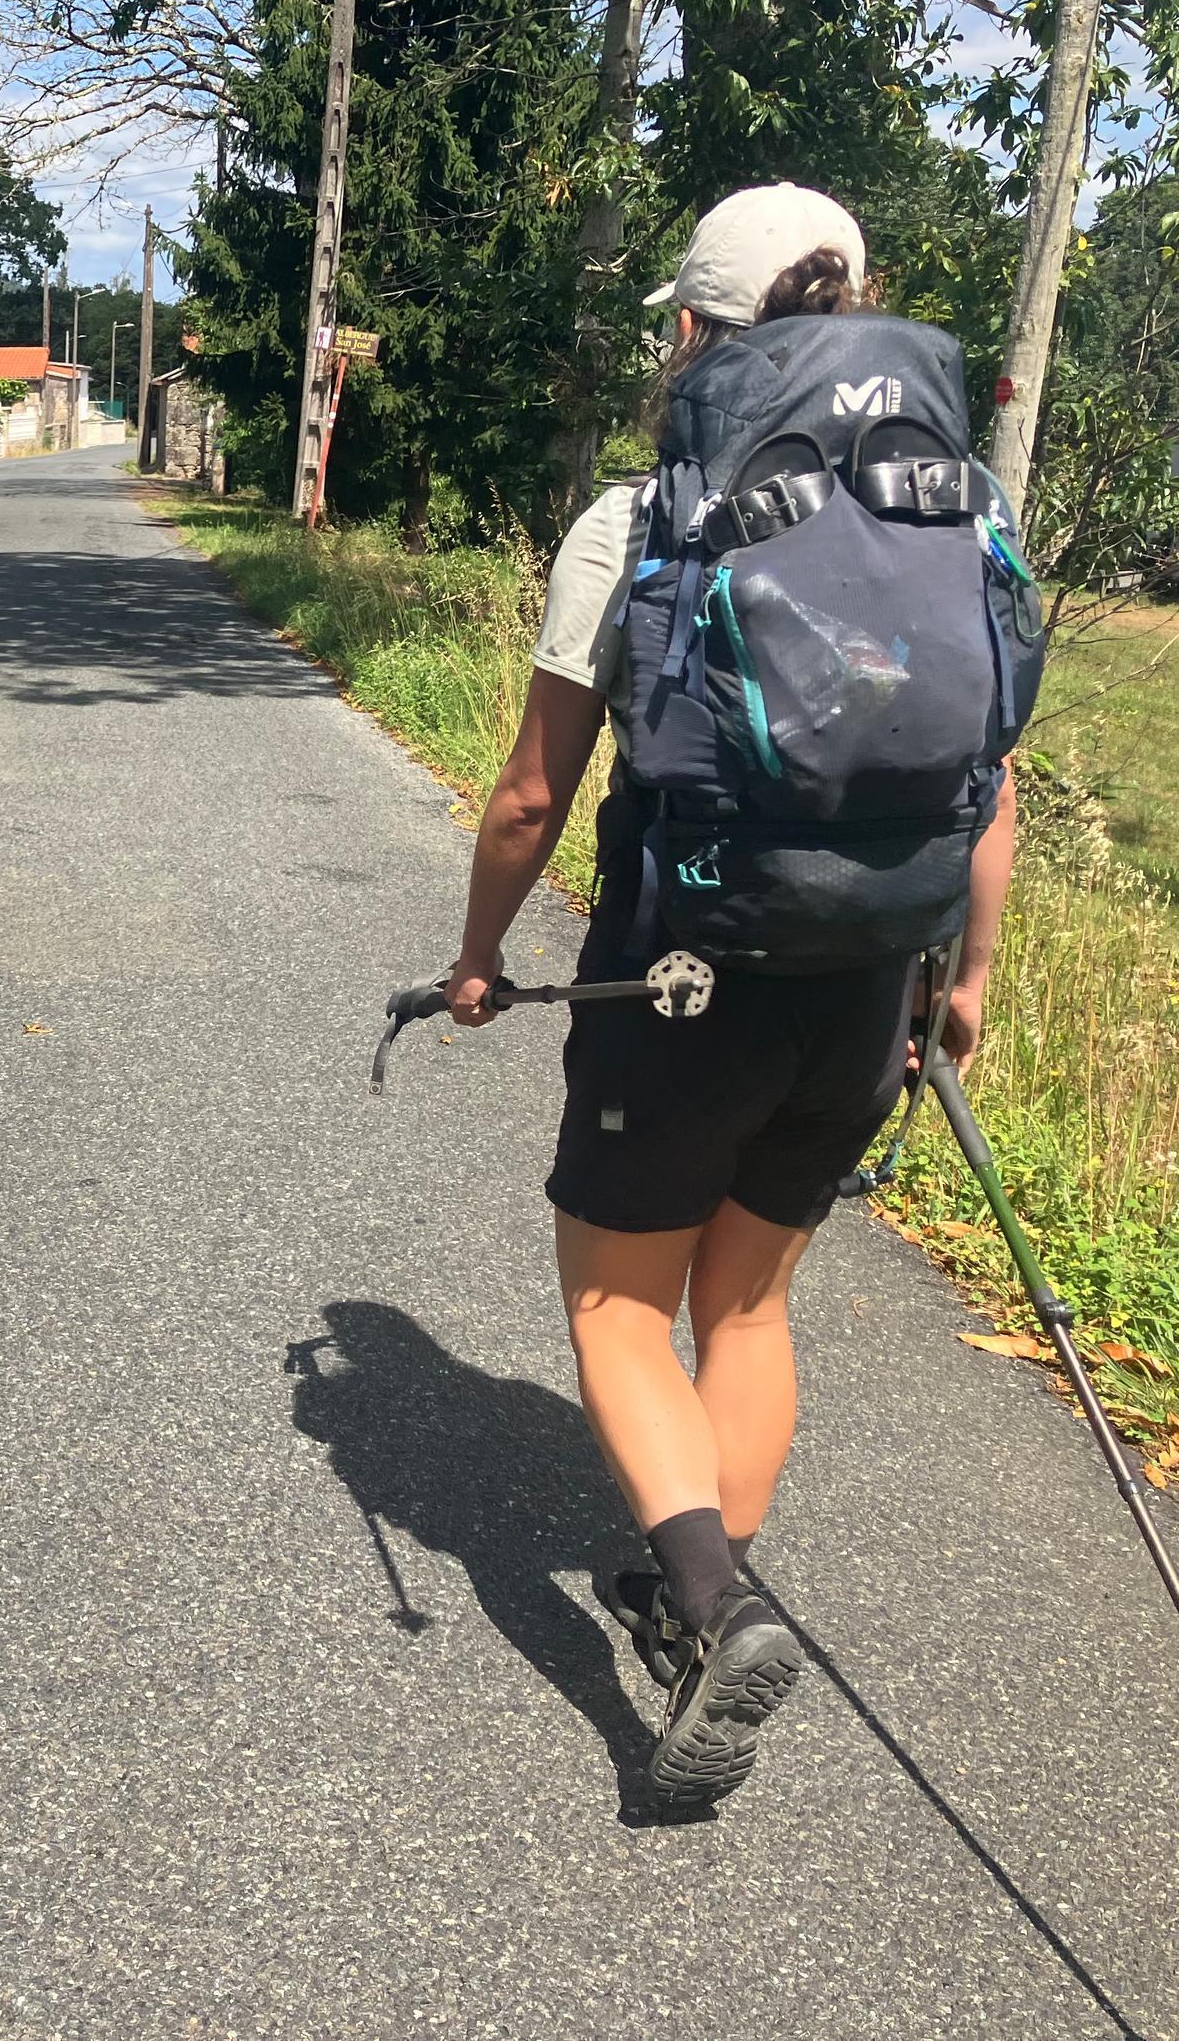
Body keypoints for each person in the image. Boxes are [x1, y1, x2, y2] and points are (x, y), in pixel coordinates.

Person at [438, 184, 1018, 1813]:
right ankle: (698, 1593)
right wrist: (962, 982)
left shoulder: (641, 521)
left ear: (691, 336)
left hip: (676, 975)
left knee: (620, 1305)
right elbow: (991, 782)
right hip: (867, 988)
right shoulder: (958, 507)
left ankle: (711, 1603)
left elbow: (531, 798)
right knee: (746, 1305)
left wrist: (480, 957)